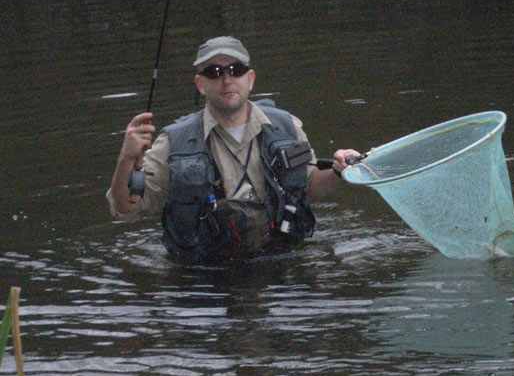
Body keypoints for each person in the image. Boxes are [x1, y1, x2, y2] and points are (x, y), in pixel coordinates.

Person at [107, 35, 360, 262]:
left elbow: (310, 187)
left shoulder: (287, 127)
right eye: (214, 72)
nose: (227, 80)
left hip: (283, 263)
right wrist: (126, 158)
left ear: (250, 79)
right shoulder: (173, 142)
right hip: (204, 276)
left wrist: (338, 170)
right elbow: (126, 208)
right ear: (200, 84)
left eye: (235, 70)